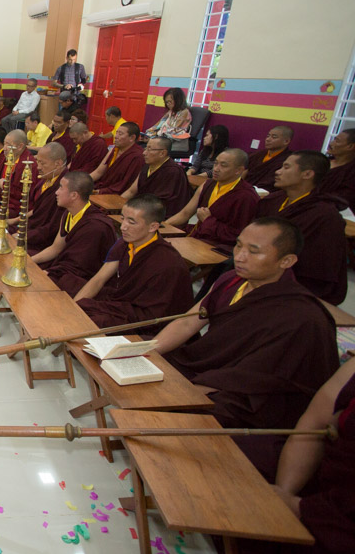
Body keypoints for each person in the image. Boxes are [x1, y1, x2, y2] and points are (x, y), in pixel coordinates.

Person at [154, 218, 338, 429]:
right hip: (205, 364)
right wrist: (147, 351)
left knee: (194, 413)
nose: (239, 257)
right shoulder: (231, 279)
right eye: (238, 245)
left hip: (247, 394)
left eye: (254, 251)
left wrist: (184, 393)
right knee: (143, 360)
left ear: (286, 261)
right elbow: (187, 323)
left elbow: (263, 378)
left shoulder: (302, 318)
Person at [236, 360, 355, 554]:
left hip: (343, 524)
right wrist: (284, 495)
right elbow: (315, 423)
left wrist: (301, 508)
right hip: (326, 484)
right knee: (227, 459)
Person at [75, 194, 193, 333]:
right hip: (123, 304)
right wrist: (75, 307)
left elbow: (155, 313)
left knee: (93, 322)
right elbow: (99, 278)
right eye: (122, 218)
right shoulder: (126, 243)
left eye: (131, 222)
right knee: (77, 300)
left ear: (153, 227)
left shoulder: (167, 263)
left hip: (147, 319)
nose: (123, 227)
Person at [255, 151, 347, 305]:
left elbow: (320, 269)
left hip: (293, 284)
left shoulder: (325, 216)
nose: (278, 171)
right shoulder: (271, 201)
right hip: (256, 268)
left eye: (286, 167)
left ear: (307, 174)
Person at [31, 171, 116, 296]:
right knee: (28, 259)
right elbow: (55, 249)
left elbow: (81, 267)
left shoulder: (96, 226)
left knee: (41, 280)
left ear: (74, 195)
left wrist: (50, 272)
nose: (56, 192)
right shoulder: (69, 213)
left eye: (61, 188)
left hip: (84, 277)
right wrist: (28, 261)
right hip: (66, 268)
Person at [165, 149, 259, 247]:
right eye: (216, 163)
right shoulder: (207, 184)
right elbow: (185, 213)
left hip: (220, 246)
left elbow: (240, 234)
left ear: (238, 170)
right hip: (199, 235)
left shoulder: (246, 196)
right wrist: (163, 226)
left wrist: (208, 221)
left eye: (223, 165)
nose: (216, 169)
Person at [120, 136, 191, 216]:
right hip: (142, 208)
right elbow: (131, 191)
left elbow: (160, 204)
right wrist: (118, 204)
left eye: (149, 149)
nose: (144, 153)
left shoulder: (173, 171)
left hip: (159, 215)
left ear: (162, 153)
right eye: (145, 148)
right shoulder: (148, 166)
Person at [25, 142, 68, 253]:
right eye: (37, 162)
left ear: (58, 164)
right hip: (33, 228)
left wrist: (25, 235)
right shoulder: (46, 180)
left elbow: (52, 228)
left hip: (45, 242)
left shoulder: (65, 188)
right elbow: (36, 211)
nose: (38, 167)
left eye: (42, 163)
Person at [89, 122, 145, 194]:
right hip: (101, 187)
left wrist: (99, 192)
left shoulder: (137, 157)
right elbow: (99, 172)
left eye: (120, 134)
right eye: (116, 133)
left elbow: (125, 185)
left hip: (115, 194)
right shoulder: (114, 149)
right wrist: (82, 181)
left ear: (132, 138)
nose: (116, 136)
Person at [245, 125, 293, 191]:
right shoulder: (257, 155)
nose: (268, 139)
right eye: (268, 136)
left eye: (274, 137)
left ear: (286, 141)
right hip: (247, 189)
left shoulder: (287, 159)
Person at [320, 127, 355, 210]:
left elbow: (343, 198)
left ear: (350, 146)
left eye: (337, 141)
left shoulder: (351, 172)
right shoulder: (323, 161)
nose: (331, 143)